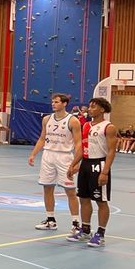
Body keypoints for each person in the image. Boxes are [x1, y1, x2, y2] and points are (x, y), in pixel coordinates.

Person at [27, 93, 82, 233]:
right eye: (52, 101)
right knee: (47, 188)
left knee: (70, 191)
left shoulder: (73, 121)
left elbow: (78, 143)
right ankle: (50, 220)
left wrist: (76, 162)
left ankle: (76, 223)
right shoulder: (46, 119)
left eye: (56, 102)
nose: (53, 104)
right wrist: (33, 154)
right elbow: (42, 138)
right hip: (48, 155)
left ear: (64, 104)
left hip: (65, 157)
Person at [66, 97, 117, 248]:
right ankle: (85, 230)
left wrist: (105, 172)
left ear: (102, 109)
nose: (90, 109)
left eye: (93, 107)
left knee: (101, 201)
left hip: (99, 164)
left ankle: (100, 234)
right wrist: (74, 164)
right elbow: (82, 148)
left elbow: (112, 151)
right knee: (83, 198)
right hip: (86, 164)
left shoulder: (108, 127)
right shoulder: (86, 125)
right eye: (89, 106)